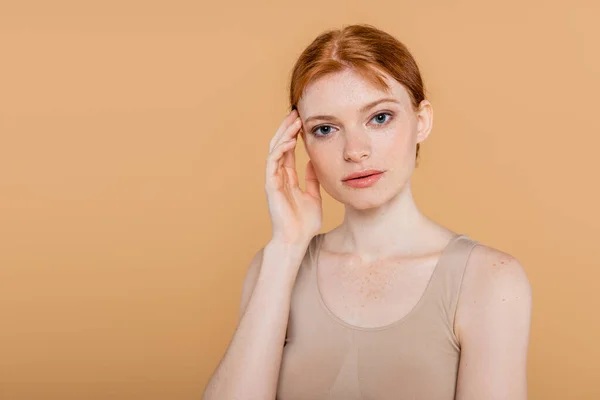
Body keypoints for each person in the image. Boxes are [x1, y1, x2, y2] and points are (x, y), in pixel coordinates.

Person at [203, 24, 532, 400]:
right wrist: (286, 247)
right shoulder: (274, 266)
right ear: (301, 143)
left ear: (421, 121)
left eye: (379, 118)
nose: (354, 150)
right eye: (326, 128)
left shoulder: (490, 280)